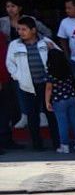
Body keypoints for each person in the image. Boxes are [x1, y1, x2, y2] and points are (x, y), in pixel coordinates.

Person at [6, 16, 60, 151]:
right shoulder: (14, 45)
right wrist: (18, 76)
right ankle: (37, 145)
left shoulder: (45, 42)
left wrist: (52, 50)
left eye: (24, 29)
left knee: (51, 114)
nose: (20, 32)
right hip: (27, 86)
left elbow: (59, 58)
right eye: (19, 29)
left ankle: (57, 143)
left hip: (46, 85)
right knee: (32, 115)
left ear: (34, 30)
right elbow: (9, 63)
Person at [44, 47, 75, 153]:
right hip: (71, 98)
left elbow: (49, 89)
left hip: (59, 100)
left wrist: (47, 102)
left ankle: (64, 146)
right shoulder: (68, 70)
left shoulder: (51, 73)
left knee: (62, 123)